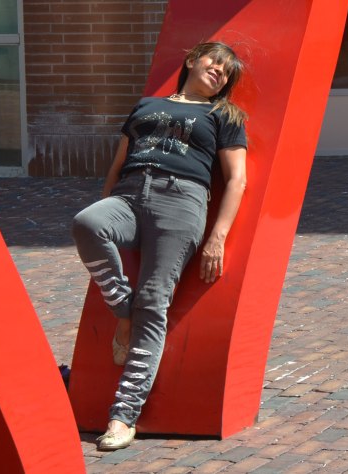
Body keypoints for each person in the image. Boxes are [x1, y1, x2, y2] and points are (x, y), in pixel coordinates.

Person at [71, 41, 248, 451]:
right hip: (130, 193)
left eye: (227, 73)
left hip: (182, 203)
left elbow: (236, 179)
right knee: (87, 223)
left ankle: (122, 416)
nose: (219, 73)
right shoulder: (145, 106)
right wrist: (107, 199)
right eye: (214, 63)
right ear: (191, 60)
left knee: (156, 301)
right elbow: (117, 165)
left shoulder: (224, 115)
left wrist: (216, 237)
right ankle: (123, 311)